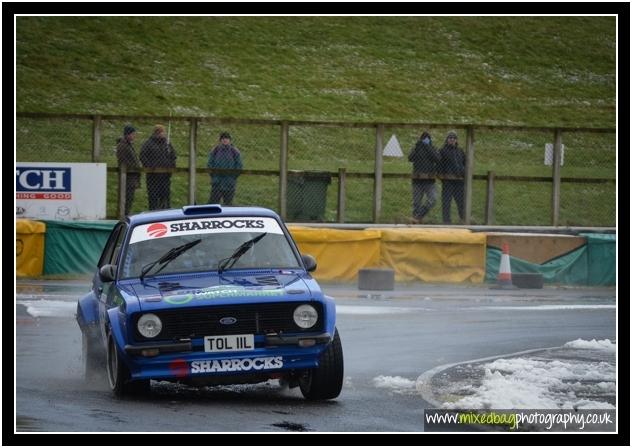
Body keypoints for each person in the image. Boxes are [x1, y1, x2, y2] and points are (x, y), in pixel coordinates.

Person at [140, 124, 177, 210]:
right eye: (162, 132)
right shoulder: (148, 143)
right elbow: (142, 156)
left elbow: (173, 156)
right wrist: (150, 167)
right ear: (157, 133)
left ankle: (165, 213)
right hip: (153, 176)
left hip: (165, 176)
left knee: (165, 197)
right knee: (153, 198)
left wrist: (171, 167)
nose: (164, 134)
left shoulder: (167, 144)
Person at [408, 131, 439, 223]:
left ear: (430, 140)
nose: (425, 140)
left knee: (432, 199)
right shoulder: (417, 148)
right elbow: (410, 158)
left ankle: (419, 215)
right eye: (424, 139)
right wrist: (418, 146)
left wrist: (427, 147)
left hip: (429, 180)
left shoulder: (432, 148)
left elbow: (437, 158)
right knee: (416, 203)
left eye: (427, 139)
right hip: (417, 180)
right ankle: (415, 220)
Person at [207, 132, 243, 205]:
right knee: (213, 204)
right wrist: (214, 176)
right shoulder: (215, 150)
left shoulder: (234, 151)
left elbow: (239, 165)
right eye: (223, 139)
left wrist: (233, 177)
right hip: (217, 183)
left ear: (230, 140)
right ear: (220, 140)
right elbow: (210, 164)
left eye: (227, 139)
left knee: (228, 204)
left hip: (229, 183)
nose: (225, 140)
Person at [439, 130, 466, 224]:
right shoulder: (443, 150)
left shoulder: (460, 151)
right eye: (450, 138)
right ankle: (446, 222)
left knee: (461, 202)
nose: (452, 140)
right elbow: (439, 165)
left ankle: (463, 220)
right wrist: (443, 177)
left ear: (456, 140)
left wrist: (463, 172)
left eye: (454, 138)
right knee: (446, 203)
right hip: (447, 181)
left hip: (459, 181)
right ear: (447, 139)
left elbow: (465, 163)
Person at [116, 124, 141, 215]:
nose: (134, 136)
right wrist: (134, 167)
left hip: (131, 177)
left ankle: (125, 215)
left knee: (129, 199)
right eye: (133, 134)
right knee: (126, 199)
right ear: (128, 134)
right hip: (127, 177)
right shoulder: (123, 146)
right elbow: (123, 161)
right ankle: (124, 216)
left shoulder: (128, 145)